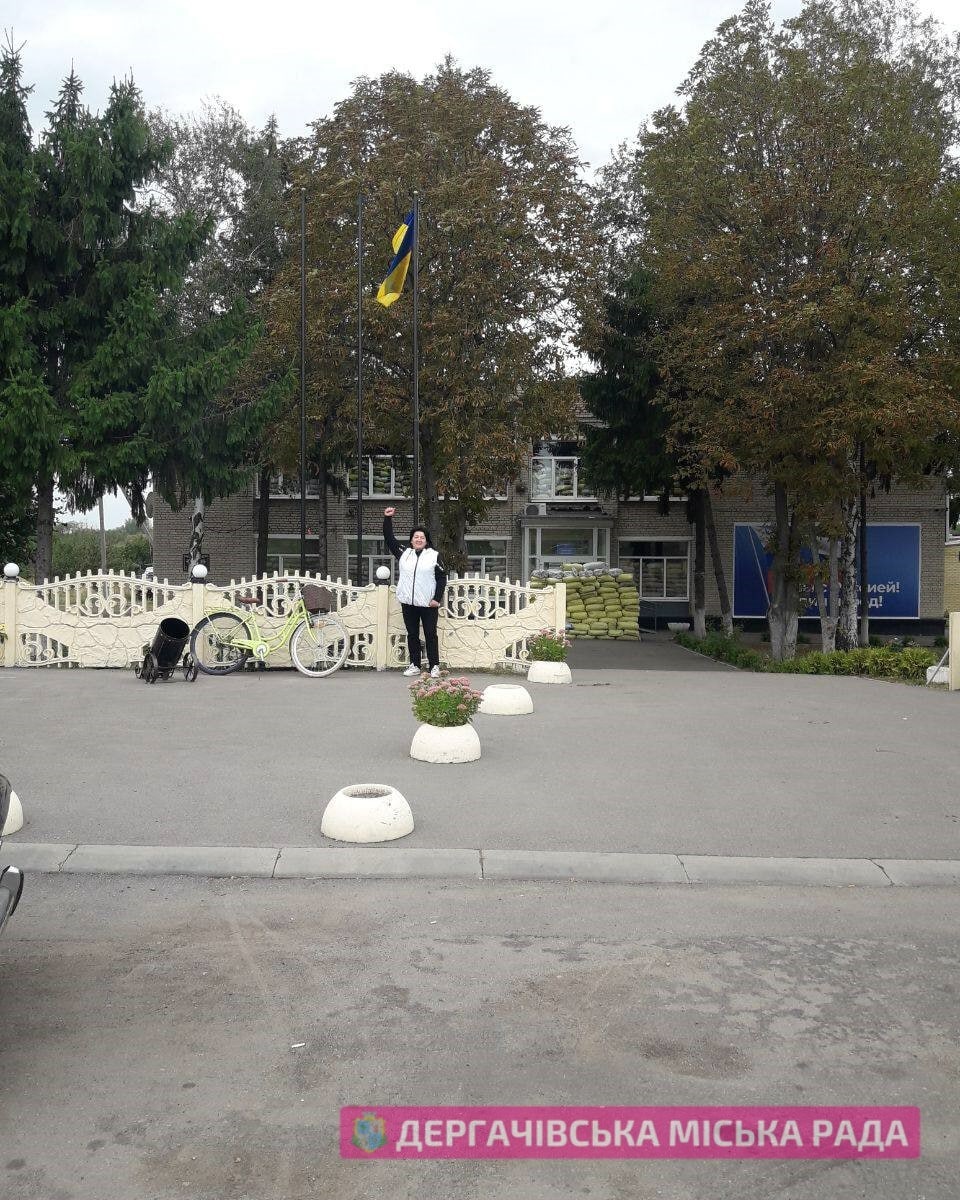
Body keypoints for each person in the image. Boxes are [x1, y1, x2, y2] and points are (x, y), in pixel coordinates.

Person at [383, 507, 447, 677]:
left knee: (430, 634)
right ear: (411, 540)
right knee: (412, 634)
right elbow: (389, 539)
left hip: (428, 603)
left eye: (422, 537)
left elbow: (442, 578)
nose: (419, 539)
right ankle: (415, 665)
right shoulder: (404, 553)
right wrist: (388, 519)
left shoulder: (434, 556)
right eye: (416, 537)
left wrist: (436, 599)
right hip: (408, 602)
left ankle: (434, 666)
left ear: (426, 540)